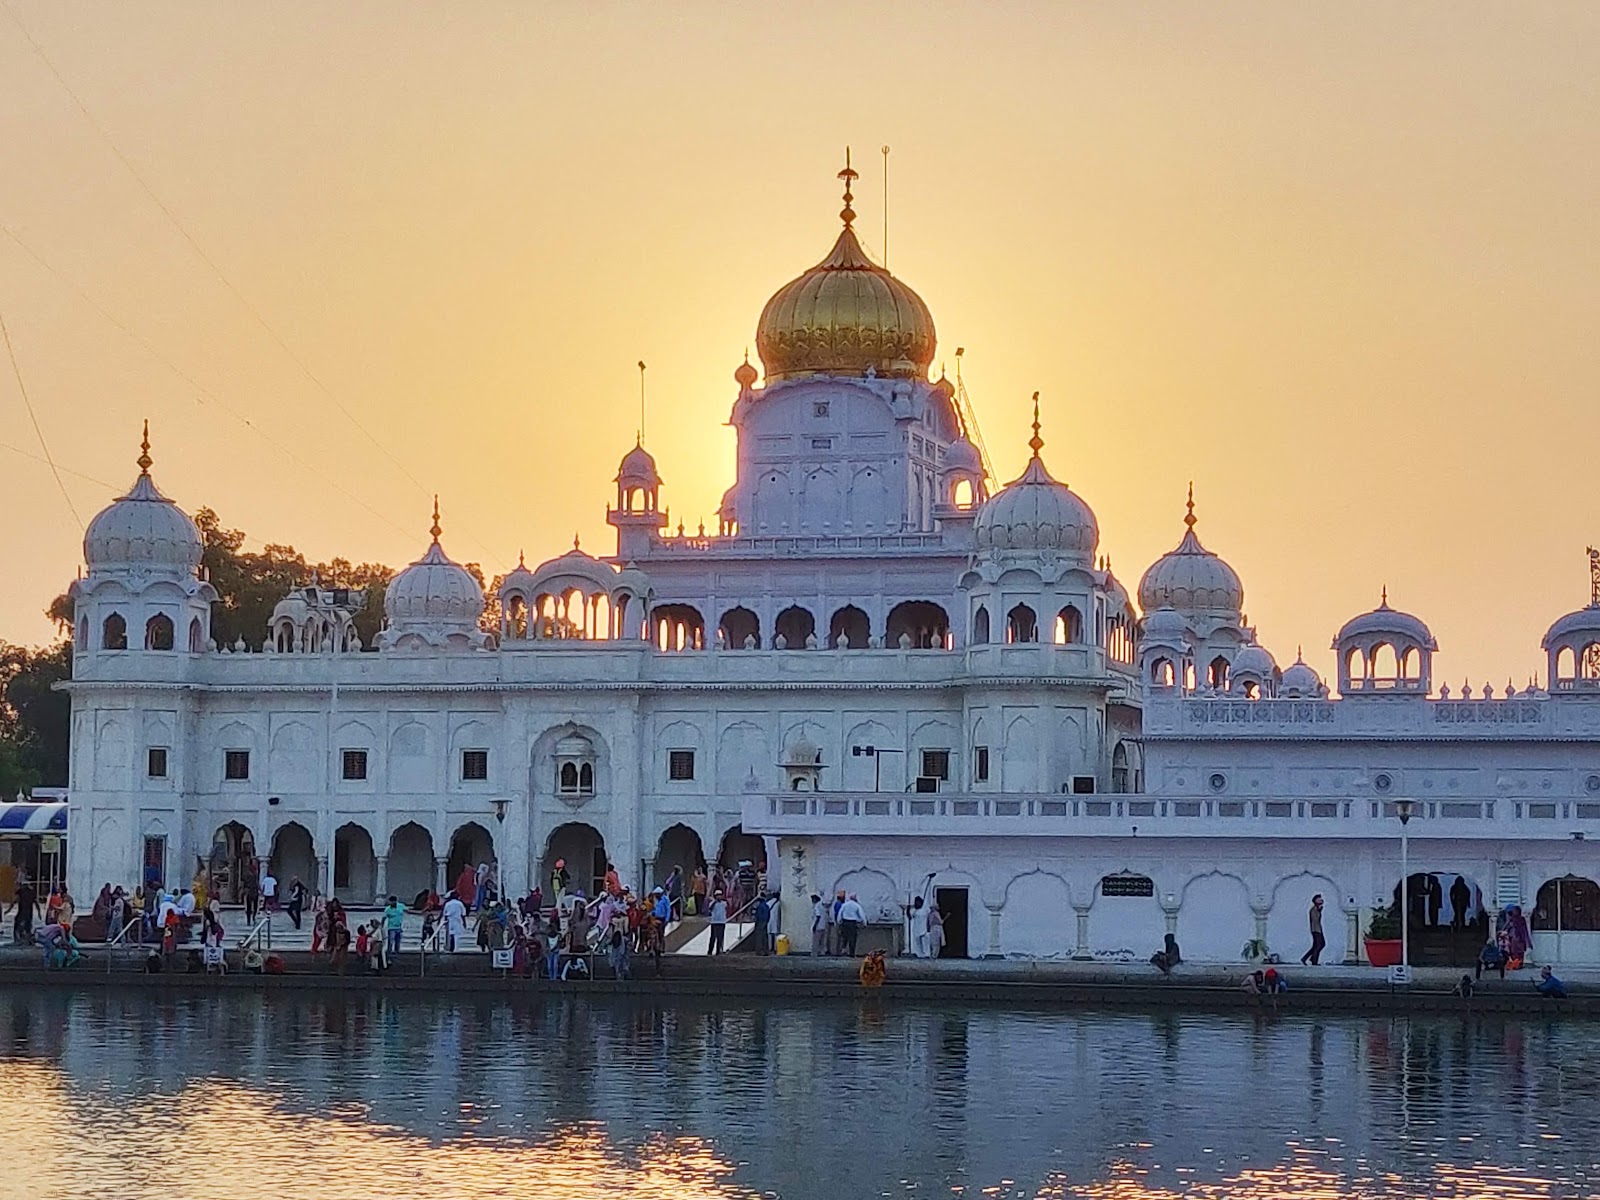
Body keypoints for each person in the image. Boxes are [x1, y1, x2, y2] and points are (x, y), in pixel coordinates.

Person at [1301, 894, 1326, 966]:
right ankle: (1313, 960)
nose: (1321, 900)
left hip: (1318, 929)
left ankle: (1308, 958)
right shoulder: (1313, 910)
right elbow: (1315, 920)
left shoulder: (1317, 909)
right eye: (1319, 899)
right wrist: (1319, 910)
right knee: (1319, 945)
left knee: (1317, 945)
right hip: (1316, 930)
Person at [707, 891, 729, 955]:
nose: (719, 896)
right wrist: (715, 902)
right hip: (714, 922)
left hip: (722, 922)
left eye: (720, 895)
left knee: (720, 937)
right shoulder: (712, 903)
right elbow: (710, 909)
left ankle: (718, 951)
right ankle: (710, 951)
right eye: (717, 895)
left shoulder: (724, 903)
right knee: (713, 937)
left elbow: (727, 908)